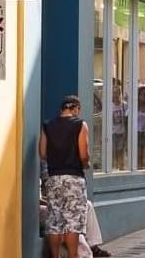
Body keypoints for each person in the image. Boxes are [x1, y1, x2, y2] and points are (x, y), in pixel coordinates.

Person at [39, 95, 90, 258]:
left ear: (62, 108)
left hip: (53, 178)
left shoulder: (47, 125)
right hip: (74, 178)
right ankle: (72, 256)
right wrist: (86, 163)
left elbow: (43, 153)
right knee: (72, 222)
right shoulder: (80, 125)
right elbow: (83, 154)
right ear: (75, 108)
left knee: (55, 220)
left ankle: (55, 256)